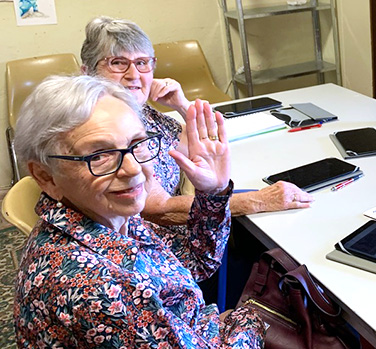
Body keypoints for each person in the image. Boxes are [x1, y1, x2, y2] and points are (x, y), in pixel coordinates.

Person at [14, 76, 266, 347]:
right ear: (45, 177)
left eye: (136, 143)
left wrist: (213, 192)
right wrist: (252, 320)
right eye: (99, 155)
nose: (134, 169)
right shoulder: (100, 288)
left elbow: (195, 262)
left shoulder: (109, 217)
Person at [80, 16, 313, 225]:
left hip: (196, 225)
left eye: (142, 63)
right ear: (88, 72)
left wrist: (180, 104)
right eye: (118, 63)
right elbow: (155, 210)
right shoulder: (99, 131)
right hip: (156, 249)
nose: (134, 75)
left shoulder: (142, 113)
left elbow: (207, 145)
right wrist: (259, 201)